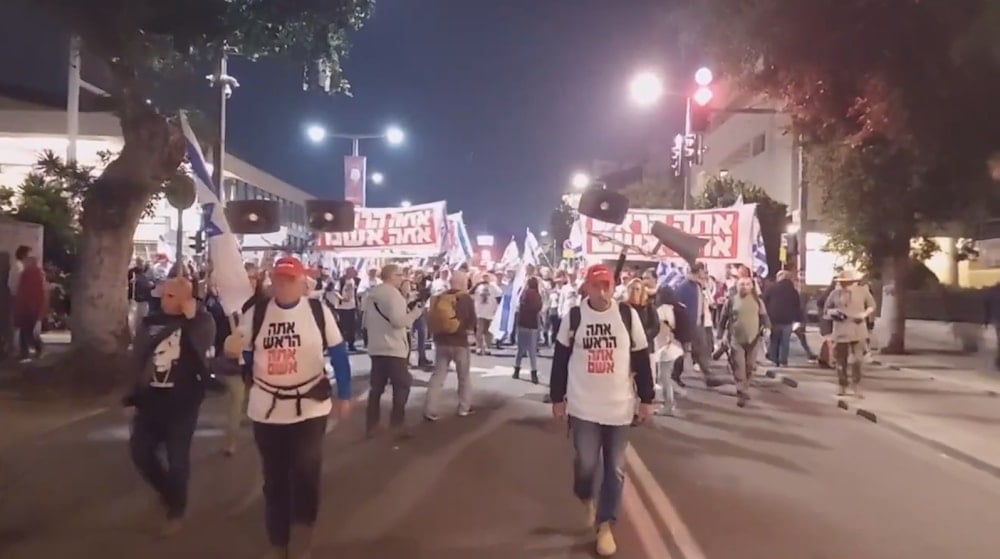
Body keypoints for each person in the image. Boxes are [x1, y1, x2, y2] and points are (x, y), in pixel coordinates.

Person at [228, 256, 353, 559]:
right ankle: (277, 540)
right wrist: (230, 349)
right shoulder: (255, 314)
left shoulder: (317, 311)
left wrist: (344, 394)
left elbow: (338, 353)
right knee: (274, 477)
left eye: (289, 279)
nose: (283, 285)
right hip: (267, 407)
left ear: (302, 282)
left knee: (306, 471)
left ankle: (303, 530)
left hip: (310, 406)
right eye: (278, 279)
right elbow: (239, 348)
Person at [549, 264, 655, 557]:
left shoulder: (626, 315)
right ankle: (585, 495)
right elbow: (559, 361)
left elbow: (641, 358)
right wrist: (557, 398)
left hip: (619, 407)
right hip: (583, 406)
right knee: (586, 463)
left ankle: (606, 523)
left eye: (607, 285)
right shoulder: (573, 317)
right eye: (597, 285)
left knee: (615, 469)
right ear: (587, 287)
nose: (603, 291)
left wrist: (647, 398)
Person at [123, 276, 214, 536]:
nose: (165, 300)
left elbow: (202, 345)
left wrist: (192, 318)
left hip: (183, 401)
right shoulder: (150, 323)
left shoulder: (201, 322)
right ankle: (167, 490)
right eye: (164, 295)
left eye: (172, 297)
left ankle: (177, 508)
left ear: (187, 299)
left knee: (177, 457)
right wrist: (131, 396)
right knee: (140, 451)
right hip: (150, 399)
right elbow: (138, 359)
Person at [362, 264, 424, 438]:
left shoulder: (372, 295)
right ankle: (397, 424)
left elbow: (365, 322)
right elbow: (398, 321)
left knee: (376, 389)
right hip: (393, 348)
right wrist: (415, 314)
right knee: (402, 385)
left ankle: (371, 424)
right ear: (391, 276)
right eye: (399, 275)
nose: (402, 278)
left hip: (376, 348)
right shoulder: (393, 295)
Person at [424, 270, 477, 421]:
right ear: (462, 283)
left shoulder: (441, 297)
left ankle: (430, 409)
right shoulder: (465, 298)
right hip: (459, 342)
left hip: (441, 342)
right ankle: (464, 407)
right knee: (463, 377)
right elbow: (471, 320)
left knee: (438, 376)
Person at [823, 269, 877, 397]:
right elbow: (826, 309)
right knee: (841, 360)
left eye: (846, 282)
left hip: (858, 329)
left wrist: (864, 314)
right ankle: (842, 384)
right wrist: (833, 313)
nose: (843, 284)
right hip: (841, 330)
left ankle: (856, 385)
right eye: (842, 282)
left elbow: (872, 305)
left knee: (858, 360)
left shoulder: (862, 291)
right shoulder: (835, 293)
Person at [718, 276, 770, 407]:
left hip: (754, 339)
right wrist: (720, 335)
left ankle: (745, 386)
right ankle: (741, 391)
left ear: (752, 286)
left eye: (747, 284)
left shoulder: (758, 301)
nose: (744, 287)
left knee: (750, 366)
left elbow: (764, 317)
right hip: (736, 339)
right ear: (736, 286)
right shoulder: (731, 301)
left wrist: (767, 328)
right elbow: (723, 319)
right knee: (739, 366)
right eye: (741, 284)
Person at [763, 271, 804, 367]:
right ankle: (783, 360)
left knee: (774, 339)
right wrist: (799, 320)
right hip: (788, 320)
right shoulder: (793, 291)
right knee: (785, 341)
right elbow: (797, 306)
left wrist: (765, 317)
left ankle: (774, 359)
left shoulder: (771, 288)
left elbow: (764, 302)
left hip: (774, 318)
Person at [13, 256, 47, 361]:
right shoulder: (38, 274)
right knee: (25, 331)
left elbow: (24, 291)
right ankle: (26, 353)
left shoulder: (30, 274)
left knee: (27, 331)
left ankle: (37, 348)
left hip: (28, 307)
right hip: (30, 307)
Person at [513, 276, 544, 383]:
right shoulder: (537, 295)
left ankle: (516, 370)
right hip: (533, 325)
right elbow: (539, 307)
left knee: (520, 349)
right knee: (532, 351)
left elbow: (518, 305)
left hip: (522, 324)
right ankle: (533, 373)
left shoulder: (524, 294)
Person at [472, 272, 502, 355]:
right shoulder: (478, 286)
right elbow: (470, 293)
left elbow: (499, 296)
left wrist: (497, 309)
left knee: (488, 331)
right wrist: (477, 284)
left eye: (487, 277)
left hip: (490, 311)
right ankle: (479, 347)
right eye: (484, 277)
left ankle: (487, 347)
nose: (485, 279)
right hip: (480, 311)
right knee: (479, 330)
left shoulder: (493, 286)